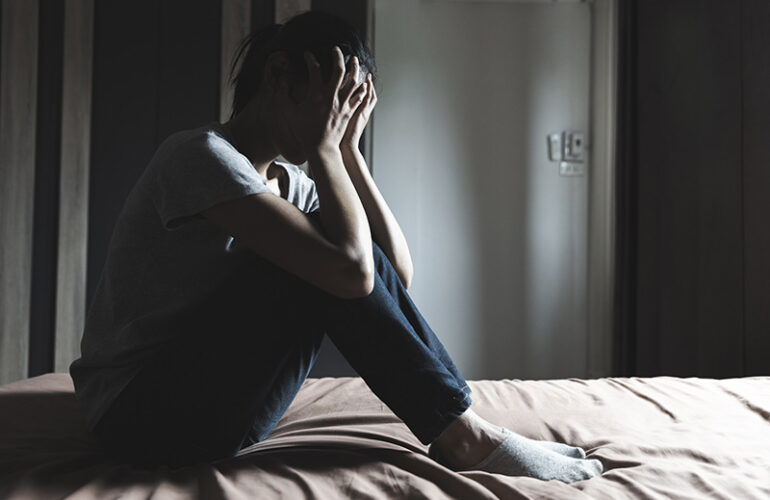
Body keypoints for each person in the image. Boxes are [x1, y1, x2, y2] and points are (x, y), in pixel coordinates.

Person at [70, 11, 603, 482]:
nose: (337, 118)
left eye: (348, 110)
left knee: (338, 245)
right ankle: (462, 435)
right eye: (332, 103)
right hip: (140, 415)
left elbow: (391, 270)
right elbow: (354, 275)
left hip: (213, 403)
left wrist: (348, 152)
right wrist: (326, 151)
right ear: (279, 76)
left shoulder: (289, 183)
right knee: (323, 261)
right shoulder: (200, 155)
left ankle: (463, 424)